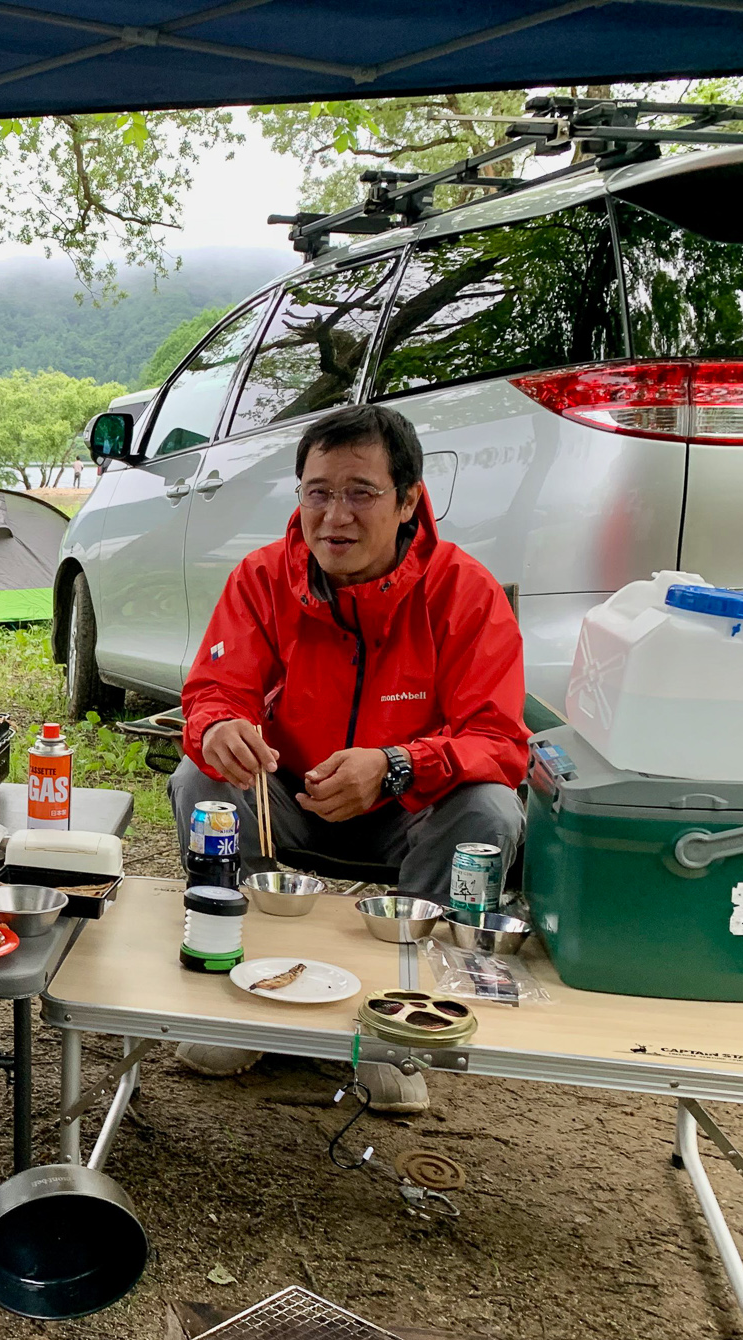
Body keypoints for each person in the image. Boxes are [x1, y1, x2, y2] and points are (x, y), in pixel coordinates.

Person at [167, 404, 528, 1112]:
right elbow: (216, 692)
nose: (335, 516)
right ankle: (243, 996)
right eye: (318, 492)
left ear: (409, 501)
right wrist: (216, 727)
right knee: (201, 777)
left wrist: (396, 766)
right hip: (290, 799)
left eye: (361, 492)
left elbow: (498, 741)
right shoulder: (263, 578)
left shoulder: (464, 590)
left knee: (490, 809)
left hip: (411, 811)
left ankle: (396, 1027)